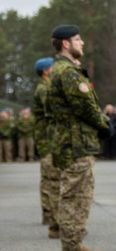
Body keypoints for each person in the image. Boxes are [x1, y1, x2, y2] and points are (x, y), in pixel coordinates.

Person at [47, 24, 109, 251]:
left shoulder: (63, 70)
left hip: (73, 143)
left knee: (74, 195)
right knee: (76, 197)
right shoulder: (68, 73)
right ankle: (72, 248)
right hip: (76, 144)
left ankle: (72, 245)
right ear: (66, 44)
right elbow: (85, 107)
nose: (82, 43)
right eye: (78, 39)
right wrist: (104, 125)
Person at [32, 57, 61, 238]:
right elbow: (54, 110)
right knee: (52, 182)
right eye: (53, 67)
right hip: (49, 142)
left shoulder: (45, 87)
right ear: (45, 71)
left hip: (47, 141)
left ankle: (48, 216)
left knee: (48, 181)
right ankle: (55, 222)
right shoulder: (44, 89)